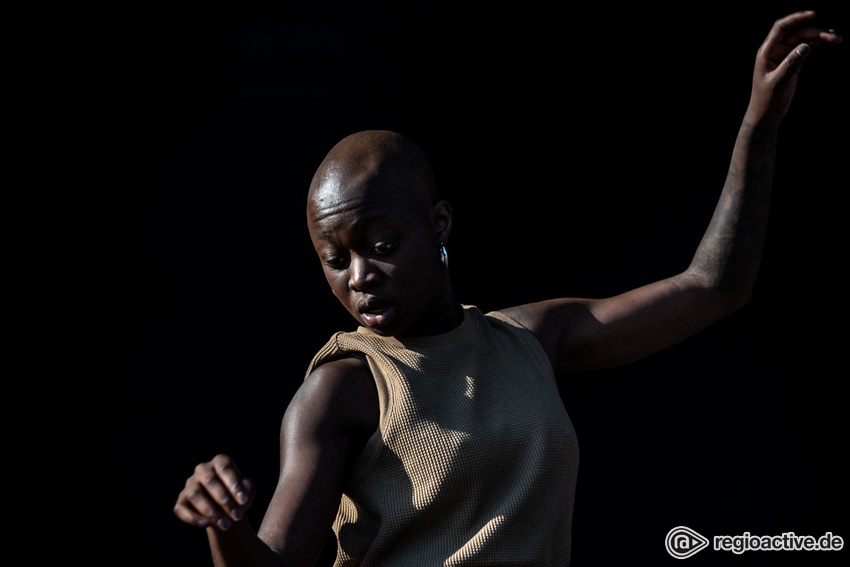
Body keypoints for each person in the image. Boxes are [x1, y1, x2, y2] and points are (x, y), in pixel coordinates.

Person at [173, 11, 842, 566]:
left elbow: (713, 285)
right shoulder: (342, 387)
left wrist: (759, 124)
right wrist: (224, 526)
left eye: (380, 246)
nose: (359, 276)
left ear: (439, 224)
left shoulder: (527, 340)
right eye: (334, 258)